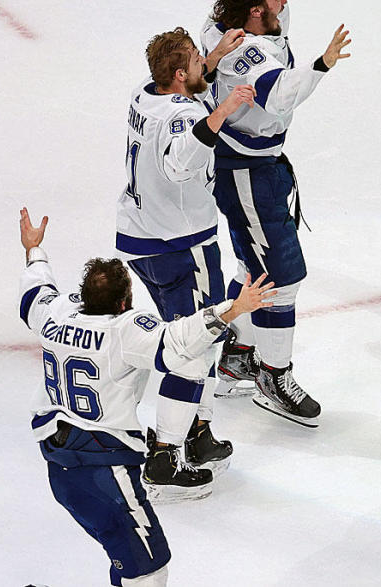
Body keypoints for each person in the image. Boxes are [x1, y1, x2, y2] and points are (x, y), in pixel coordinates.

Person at [18, 208, 275, 586]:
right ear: (124, 302)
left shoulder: (56, 314)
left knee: (128, 560)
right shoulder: (123, 331)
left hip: (60, 464)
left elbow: (36, 291)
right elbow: (178, 341)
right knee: (149, 572)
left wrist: (34, 251)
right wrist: (233, 309)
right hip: (104, 470)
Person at [199, 0, 352, 427]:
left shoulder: (246, 10)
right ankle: (272, 372)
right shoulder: (243, 54)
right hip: (244, 171)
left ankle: (236, 356)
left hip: (259, 165)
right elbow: (283, 95)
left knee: (254, 264)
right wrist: (323, 63)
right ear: (254, 13)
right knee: (282, 274)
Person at [116, 26, 257, 495]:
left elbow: (183, 95)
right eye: (197, 62)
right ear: (179, 75)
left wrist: (215, 54)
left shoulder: (145, 93)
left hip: (141, 239)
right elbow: (180, 162)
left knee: (190, 340)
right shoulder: (180, 119)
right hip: (181, 244)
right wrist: (224, 109)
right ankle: (166, 455)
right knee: (194, 345)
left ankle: (197, 432)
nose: (204, 66)